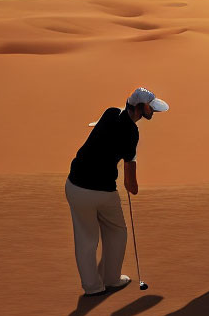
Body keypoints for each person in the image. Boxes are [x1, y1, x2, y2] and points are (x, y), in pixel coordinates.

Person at [65, 87, 169, 296]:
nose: (153, 112)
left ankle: (93, 287)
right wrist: (134, 188)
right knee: (117, 232)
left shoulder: (110, 112)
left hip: (75, 185)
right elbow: (130, 181)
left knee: (86, 238)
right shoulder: (132, 132)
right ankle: (111, 279)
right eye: (150, 108)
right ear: (141, 108)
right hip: (102, 191)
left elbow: (105, 127)